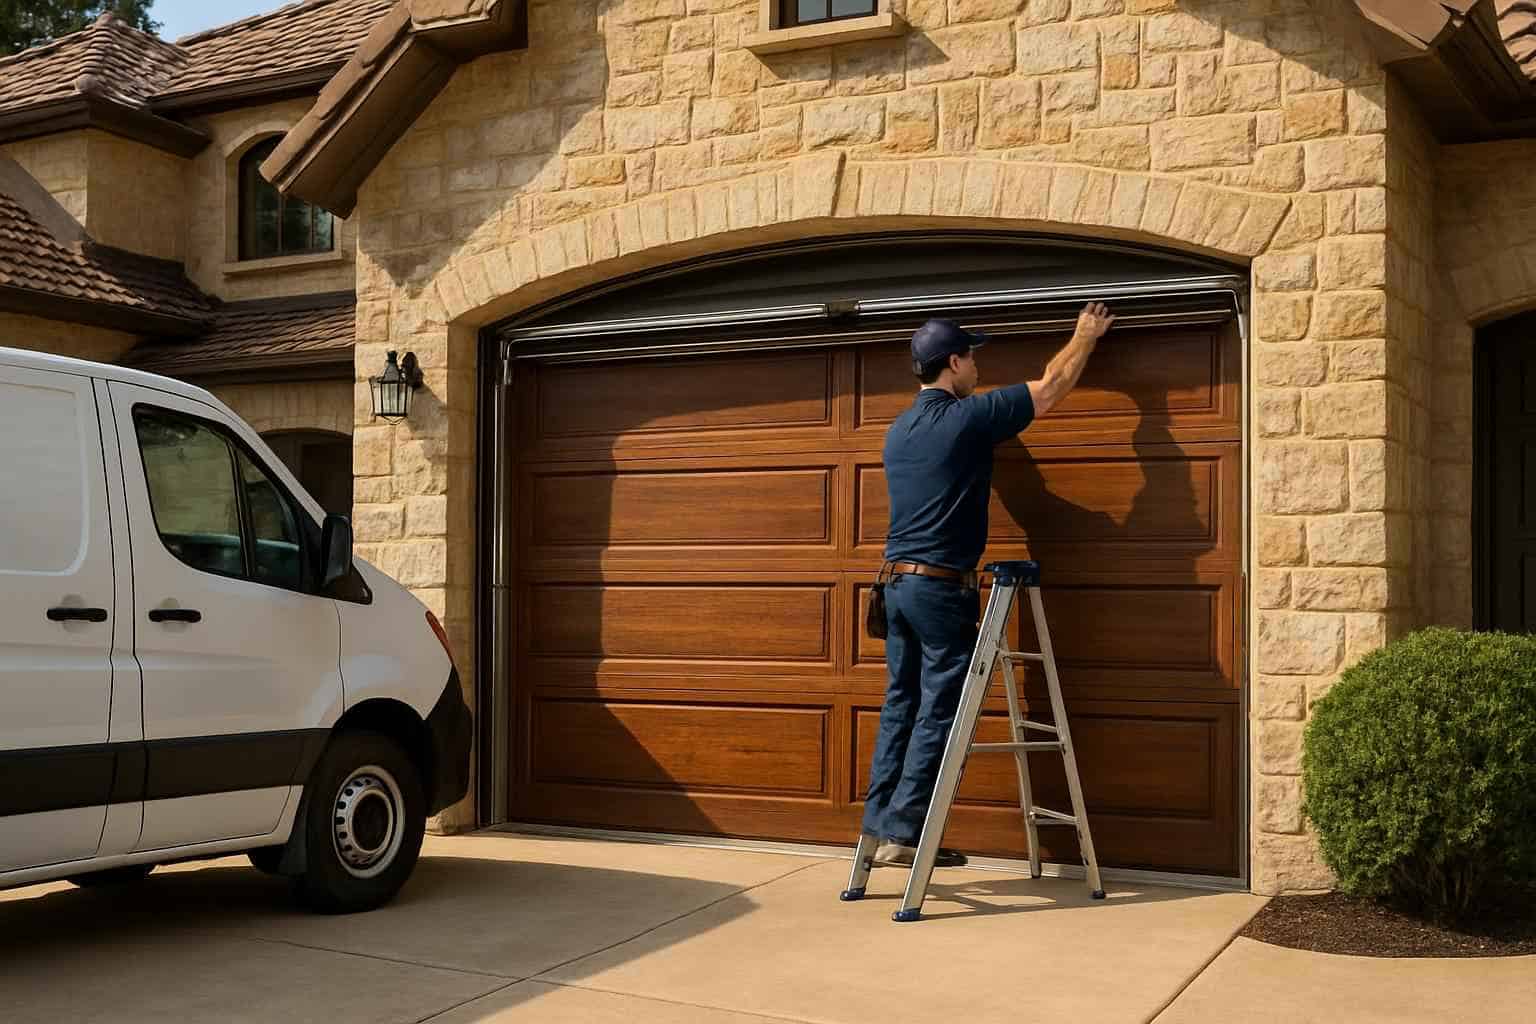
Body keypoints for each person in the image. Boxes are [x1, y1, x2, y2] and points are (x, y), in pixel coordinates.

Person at [863, 302, 1115, 867]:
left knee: (901, 703)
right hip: (937, 591)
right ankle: (905, 833)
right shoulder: (966, 417)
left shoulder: (899, 430)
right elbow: (1049, 388)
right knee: (937, 709)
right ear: (953, 363)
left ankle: (880, 825)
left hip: (895, 588)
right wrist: (1083, 336)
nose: (977, 367)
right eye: (972, 357)